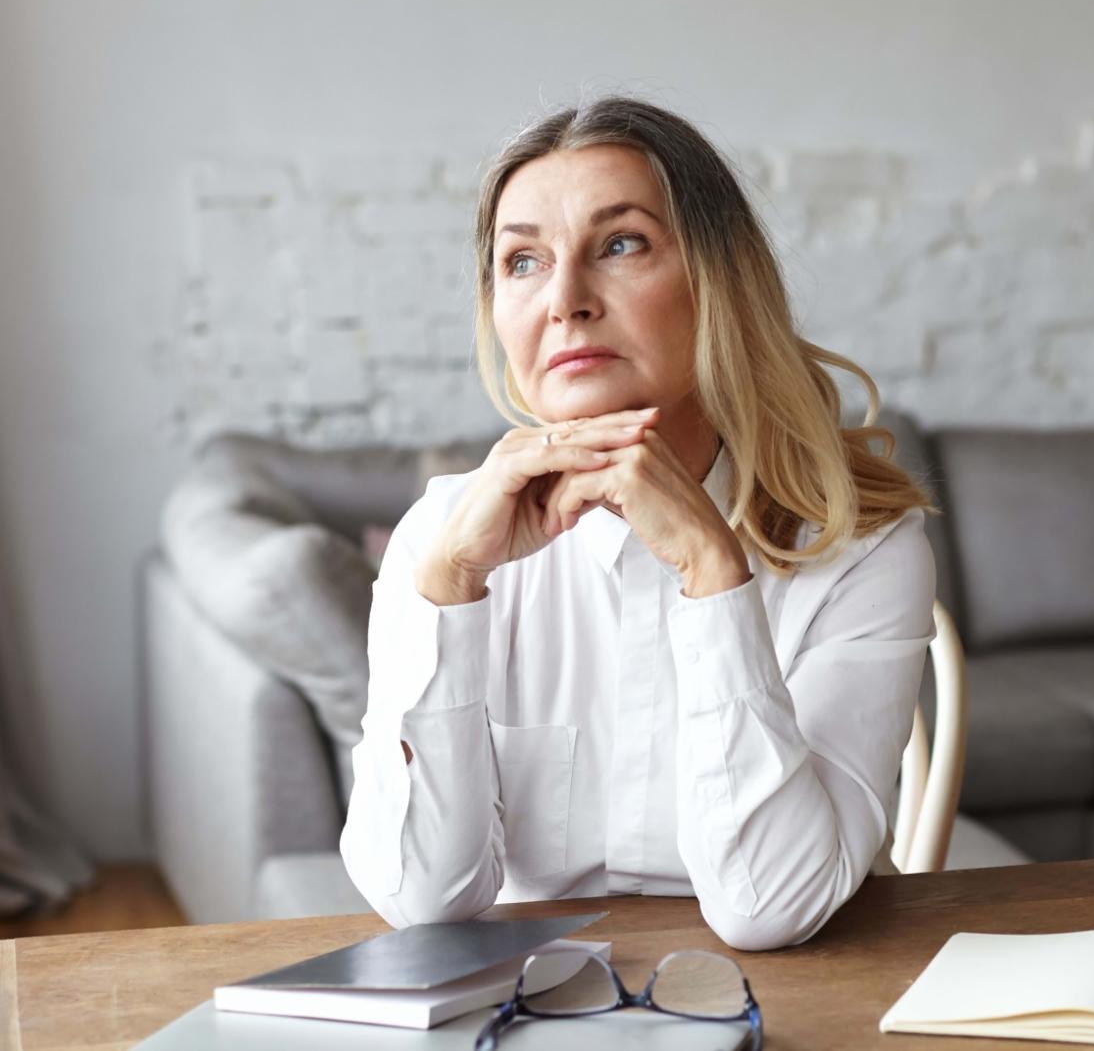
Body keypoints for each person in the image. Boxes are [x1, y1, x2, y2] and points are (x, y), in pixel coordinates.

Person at [338, 95, 937, 952]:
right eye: (522, 261)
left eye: (620, 244)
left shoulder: (861, 548)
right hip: (525, 1007)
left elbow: (771, 909)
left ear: (715, 280)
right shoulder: (440, 540)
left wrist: (711, 571)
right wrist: (447, 597)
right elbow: (421, 901)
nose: (564, 300)